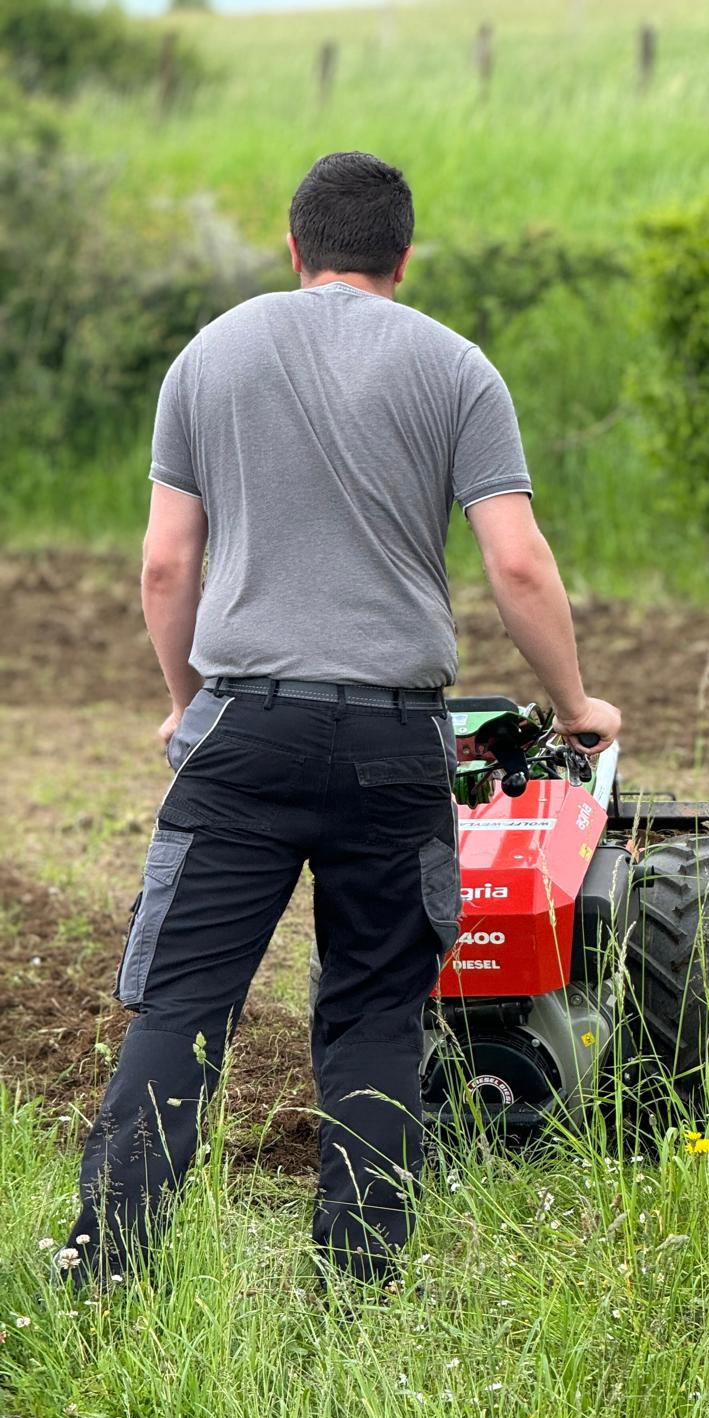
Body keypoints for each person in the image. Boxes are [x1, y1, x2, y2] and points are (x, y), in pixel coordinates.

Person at [62, 150, 620, 1287]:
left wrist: (187, 708)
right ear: (403, 257)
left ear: (293, 245)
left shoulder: (209, 354)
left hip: (244, 730)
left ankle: (108, 1267)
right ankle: (356, 1286)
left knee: (183, 1005)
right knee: (374, 1013)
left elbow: (166, 566)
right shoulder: (457, 368)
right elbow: (517, 563)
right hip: (392, 742)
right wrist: (575, 704)